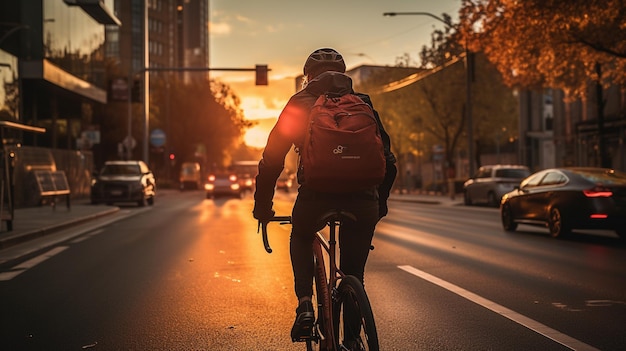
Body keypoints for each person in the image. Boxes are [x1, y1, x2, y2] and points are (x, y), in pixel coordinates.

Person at [252, 48, 397, 341]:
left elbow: (272, 160)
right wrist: (379, 204)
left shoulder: (299, 104)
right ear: (344, 75)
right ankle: (352, 340)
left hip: (317, 196)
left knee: (302, 234)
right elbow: (389, 161)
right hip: (363, 199)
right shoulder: (363, 102)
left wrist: (263, 207)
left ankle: (305, 304)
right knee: (354, 272)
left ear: (308, 77)